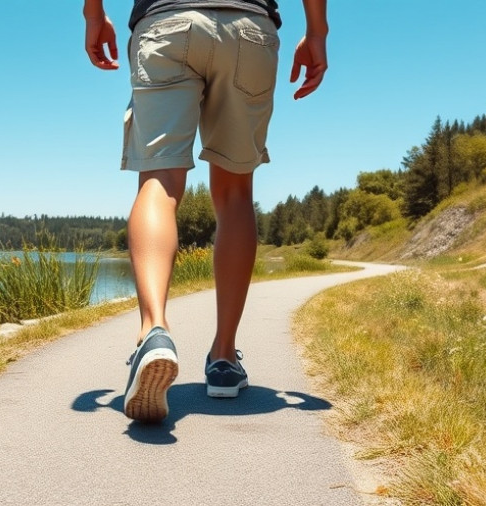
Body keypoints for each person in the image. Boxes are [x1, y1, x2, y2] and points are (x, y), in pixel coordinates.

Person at [83, 0, 328, 423]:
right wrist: (317, 32)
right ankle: (224, 358)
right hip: (248, 27)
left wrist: (94, 15)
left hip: (166, 23)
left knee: (158, 181)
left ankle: (153, 331)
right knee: (234, 193)